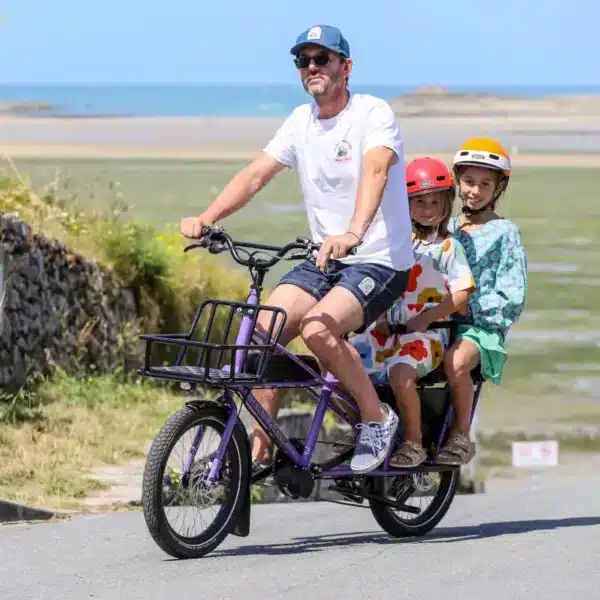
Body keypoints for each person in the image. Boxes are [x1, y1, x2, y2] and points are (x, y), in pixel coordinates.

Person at [179, 25, 414, 474]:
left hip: (379, 258)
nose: (311, 68)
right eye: (303, 61)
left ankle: (376, 417)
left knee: (319, 329)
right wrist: (208, 218)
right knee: (259, 334)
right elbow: (255, 175)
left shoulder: (372, 113)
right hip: (324, 259)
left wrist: (353, 231)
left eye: (321, 59)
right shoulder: (299, 122)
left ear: (346, 67)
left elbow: (377, 171)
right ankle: (263, 446)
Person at [341, 157, 475, 467]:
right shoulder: (397, 244)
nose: (427, 209)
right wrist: (382, 314)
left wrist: (428, 317)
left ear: (447, 203)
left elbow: (463, 290)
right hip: (386, 332)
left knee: (400, 374)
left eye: (434, 201)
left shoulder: (448, 247)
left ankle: (413, 443)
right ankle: (361, 427)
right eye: (418, 202)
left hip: (427, 335)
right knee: (338, 363)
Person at [437, 137, 528, 465]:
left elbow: (512, 296)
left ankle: (461, 434)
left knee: (456, 362)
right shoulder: (443, 226)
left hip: (480, 326)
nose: (475, 191)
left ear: (498, 188)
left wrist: (468, 307)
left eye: (485, 184)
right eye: (469, 182)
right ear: (457, 181)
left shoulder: (506, 233)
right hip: (437, 318)